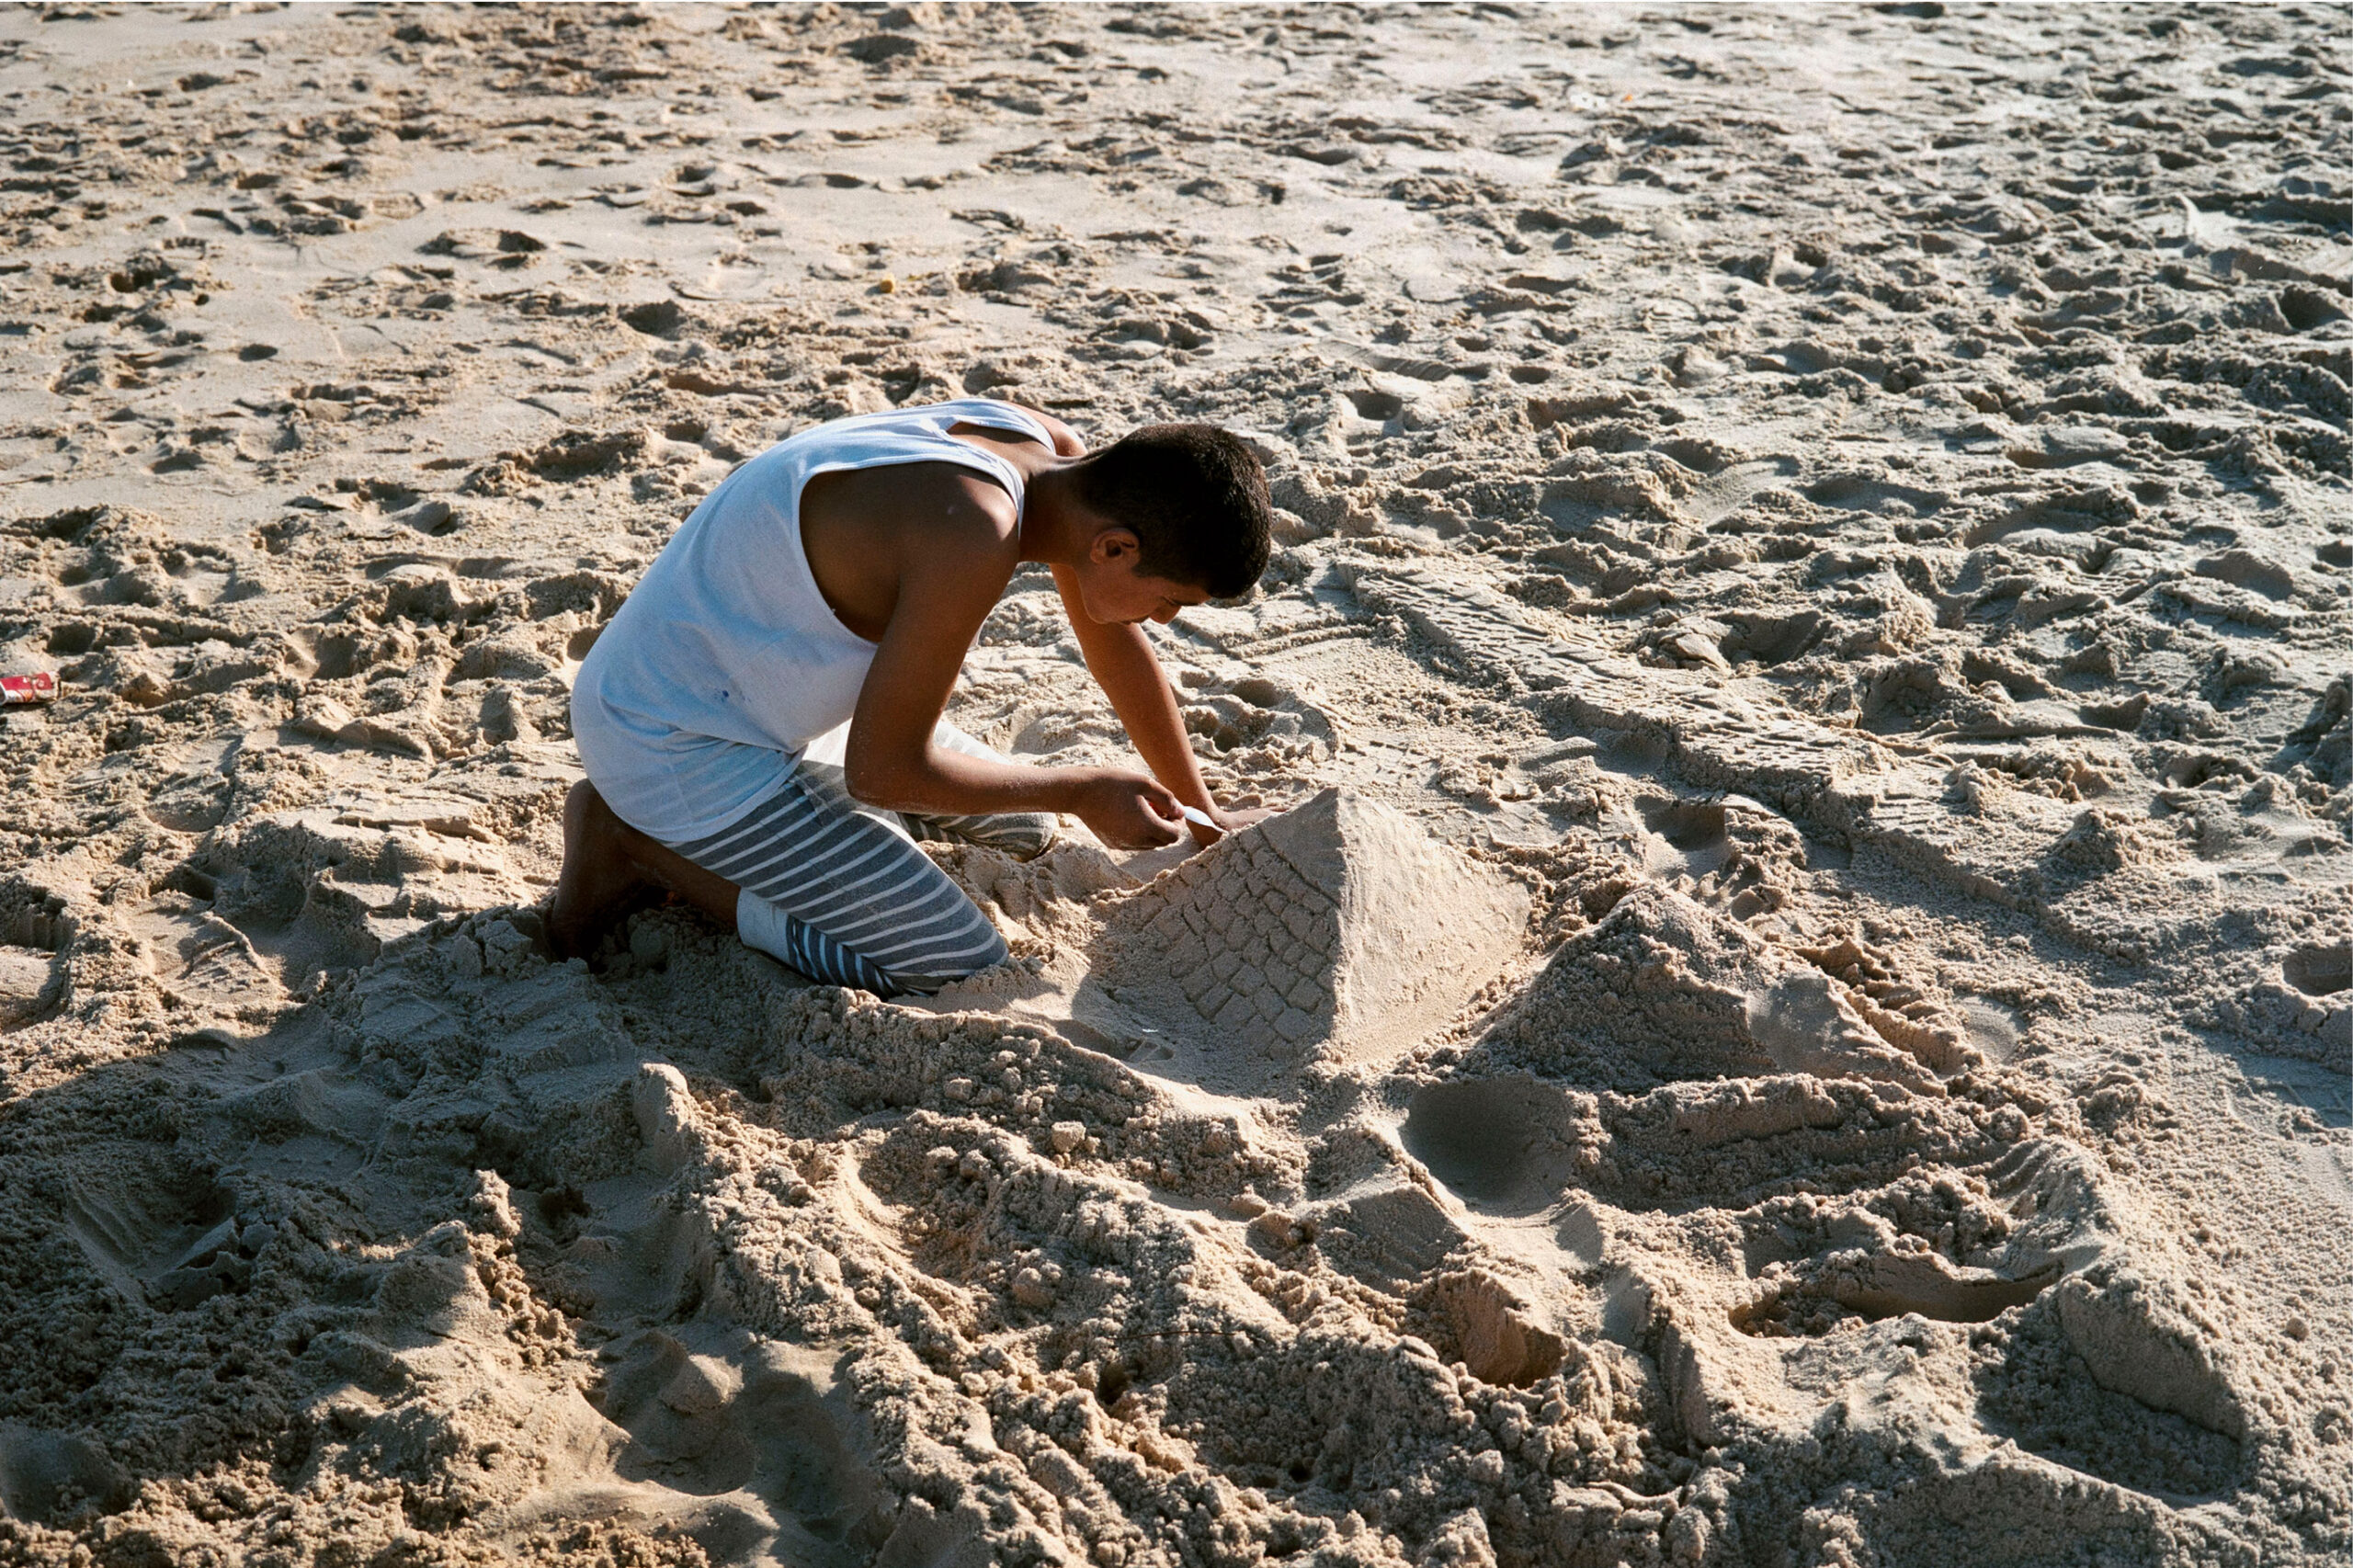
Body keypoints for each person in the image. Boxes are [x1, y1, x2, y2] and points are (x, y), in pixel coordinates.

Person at [548, 397, 1275, 996]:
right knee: (955, 963)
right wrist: (1080, 789)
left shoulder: (1046, 451)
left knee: (1027, 830)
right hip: (672, 742)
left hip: (759, 694)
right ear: (1114, 548)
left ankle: (784, 827)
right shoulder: (972, 533)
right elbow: (883, 772)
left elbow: (1113, 646)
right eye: (1170, 600)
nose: (1163, 619)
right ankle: (636, 845)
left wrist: (1202, 809)